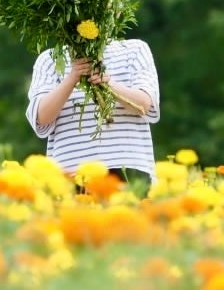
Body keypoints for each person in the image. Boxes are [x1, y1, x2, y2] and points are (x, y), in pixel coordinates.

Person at [26, 38, 160, 193]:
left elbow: (144, 104)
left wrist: (108, 83)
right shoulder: (50, 59)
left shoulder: (135, 50)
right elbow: (41, 118)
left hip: (128, 168)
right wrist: (72, 77)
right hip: (71, 175)